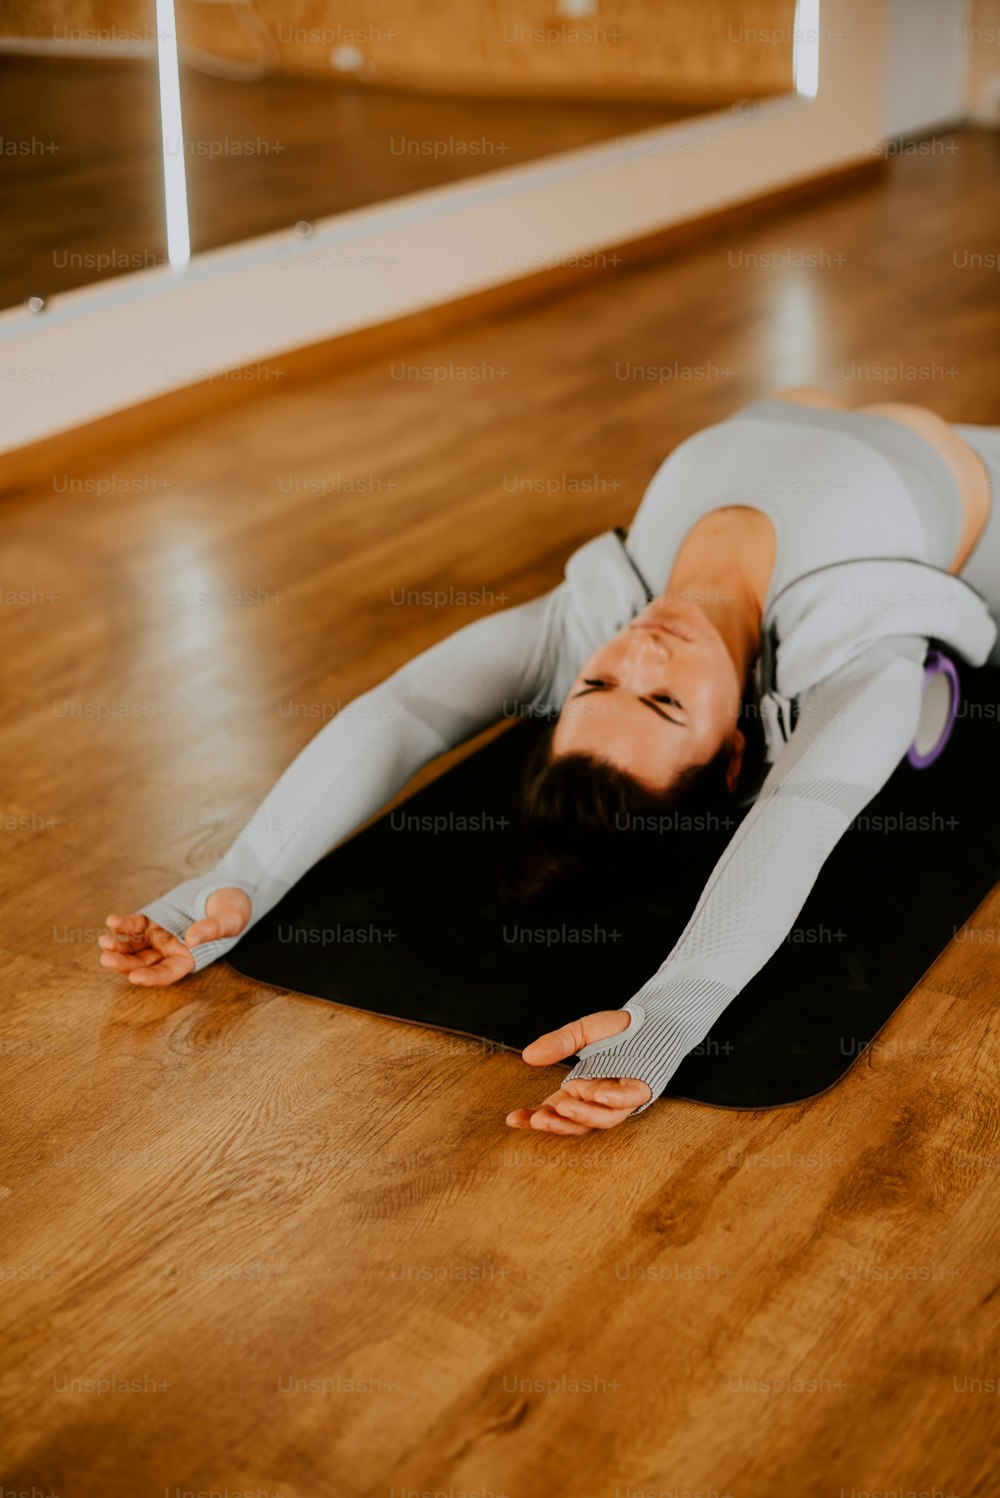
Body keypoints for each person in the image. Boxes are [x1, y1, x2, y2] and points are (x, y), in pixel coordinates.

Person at [99, 387, 1000, 1135]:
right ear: (734, 754)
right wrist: (672, 1014)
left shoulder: (583, 627)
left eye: (599, 688)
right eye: (665, 702)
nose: (642, 653)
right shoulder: (854, 658)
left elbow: (401, 716)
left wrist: (240, 876)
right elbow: (795, 828)